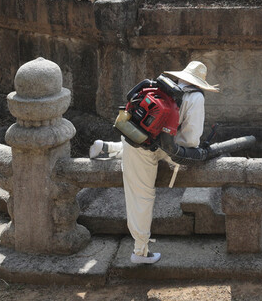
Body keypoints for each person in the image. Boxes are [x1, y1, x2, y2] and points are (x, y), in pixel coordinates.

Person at [89, 61, 219, 265]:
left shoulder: (161, 86)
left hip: (132, 136)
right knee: (142, 196)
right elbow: (191, 140)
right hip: (148, 149)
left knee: (139, 182)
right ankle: (140, 252)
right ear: (200, 83)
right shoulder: (195, 97)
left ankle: (106, 147)